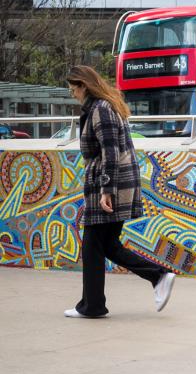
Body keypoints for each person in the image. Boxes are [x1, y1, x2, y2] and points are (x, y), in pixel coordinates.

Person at [64, 65, 175, 318]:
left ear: (84, 86)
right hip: (117, 182)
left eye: (73, 89)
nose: (73, 94)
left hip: (110, 185)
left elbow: (110, 152)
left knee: (93, 245)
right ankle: (157, 277)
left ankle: (94, 306)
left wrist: (106, 190)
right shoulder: (104, 106)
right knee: (108, 245)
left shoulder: (100, 109)